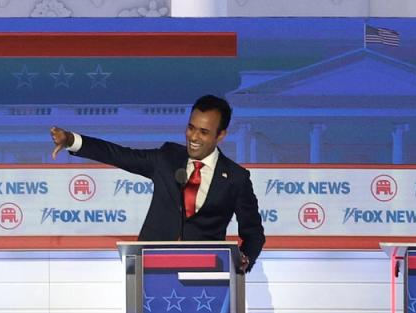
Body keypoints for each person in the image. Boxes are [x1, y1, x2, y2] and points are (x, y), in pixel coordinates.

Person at [50, 95, 264, 273]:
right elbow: (121, 155)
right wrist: (71, 140)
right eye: (191, 128)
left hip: (206, 274)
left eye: (204, 132)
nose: (194, 137)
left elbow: (253, 232)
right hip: (152, 267)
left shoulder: (236, 177)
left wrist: (244, 260)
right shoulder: (168, 158)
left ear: (221, 135)